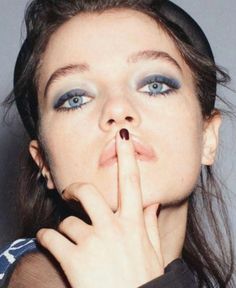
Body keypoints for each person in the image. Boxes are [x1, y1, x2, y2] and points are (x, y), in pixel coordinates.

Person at [0, 0, 235, 287]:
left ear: (208, 137)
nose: (117, 108)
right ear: (44, 163)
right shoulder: (31, 276)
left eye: (155, 85)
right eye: (75, 98)